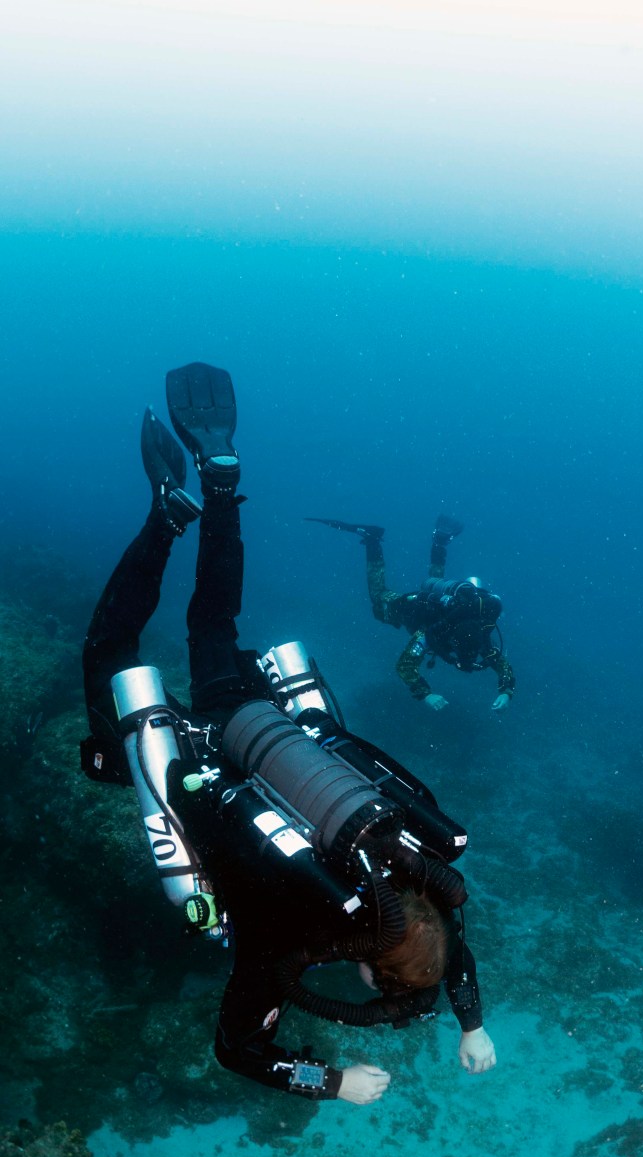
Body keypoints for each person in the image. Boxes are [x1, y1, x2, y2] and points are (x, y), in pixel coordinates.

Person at [81, 362, 497, 1105]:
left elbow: (453, 950)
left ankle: (213, 489)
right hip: (194, 755)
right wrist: (331, 1081)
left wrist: (471, 1023)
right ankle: (166, 516)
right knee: (110, 651)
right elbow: (238, 1049)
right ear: (368, 969)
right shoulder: (294, 938)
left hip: (266, 722)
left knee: (213, 623)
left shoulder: (416, 864)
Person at [307, 515, 515, 712]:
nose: (467, 659)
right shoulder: (429, 633)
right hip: (409, 607)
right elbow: (405, 666)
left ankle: (439, 542)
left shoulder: (480, 636)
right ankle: (372, 540)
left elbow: (501, 664)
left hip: (438, 603)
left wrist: (506, 692)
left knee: (434, 586)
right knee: (378, 596)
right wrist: (426, 694)